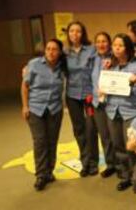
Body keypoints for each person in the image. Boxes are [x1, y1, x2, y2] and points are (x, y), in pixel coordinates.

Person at [104, 33, 136, 191]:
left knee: (133, 146)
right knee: (118, 144)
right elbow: (105, 85)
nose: (117, 48)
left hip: (131, 111)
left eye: (120, 45)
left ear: (127, 48)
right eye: (114, 46)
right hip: (112, 110)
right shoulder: (110, 66)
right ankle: (126, 175)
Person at [21, 39, 67, 191]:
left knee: (52, 141)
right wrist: (25, 106)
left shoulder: (63, 66)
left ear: (59, 52)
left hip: (54, 108)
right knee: (40, 141)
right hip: (35, 108)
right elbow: (25, 86)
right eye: (48, 49)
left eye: (54, 49)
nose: (51, 52)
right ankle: (41, 175)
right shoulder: (34, 64)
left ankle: (49, 172)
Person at [64, 21, 99, 177]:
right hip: (72, 95)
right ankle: (85, 162)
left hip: (89, 95)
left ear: (82, 33)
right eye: (72, 31)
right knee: (79, 129)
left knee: (91, 129)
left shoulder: (91, 50)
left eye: (78, 31)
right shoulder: (64, 52)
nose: (75, 34)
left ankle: (93, 163)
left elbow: (98, 68)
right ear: (68, 34)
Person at [91, 32, 116, 178]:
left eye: (104, 41)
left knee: (116, 136)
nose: (101, 44)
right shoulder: (93, 59)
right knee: (104, 136)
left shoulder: (116, 58)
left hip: (112, 103)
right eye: (98, 41)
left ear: (110, 43)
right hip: (97, 103)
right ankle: (110, 164)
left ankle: (122, 165)